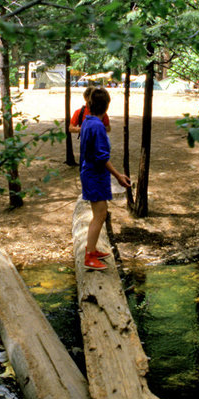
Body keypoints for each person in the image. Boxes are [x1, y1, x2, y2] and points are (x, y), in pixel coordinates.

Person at [79, 87, 130, 270]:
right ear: (106, 106)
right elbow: (101, 157)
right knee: (99, 215)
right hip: (95, 175)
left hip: (91, 173)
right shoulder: (98, 126)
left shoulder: (87, 121)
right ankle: (89, 256)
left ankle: (92, 249)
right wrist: (118, 176)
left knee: (100, 213)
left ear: (90, 104)